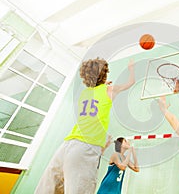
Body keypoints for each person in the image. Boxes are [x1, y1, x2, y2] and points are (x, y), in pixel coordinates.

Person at [35, 58, 135, 194]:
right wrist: (131, 68)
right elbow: (130, 83)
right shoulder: (109, 90)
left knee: (46, 189)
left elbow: (96, 91)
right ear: (104, 74)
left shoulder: (84, 93)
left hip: (67, 145)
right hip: (86, 148)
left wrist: (103, 83)